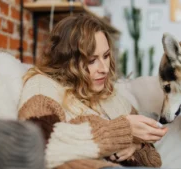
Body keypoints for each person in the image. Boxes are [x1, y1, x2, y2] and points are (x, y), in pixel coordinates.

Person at [18, 13, 168, 169]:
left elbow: (154, 159)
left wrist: (136, 147)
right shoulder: (43, 86)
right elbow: (34, 143)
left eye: (106, 56)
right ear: (67, 60)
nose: (104, 69)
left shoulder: (112, 97)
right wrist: (123, 131)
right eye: (92, 60)